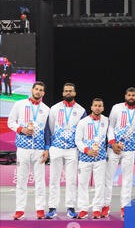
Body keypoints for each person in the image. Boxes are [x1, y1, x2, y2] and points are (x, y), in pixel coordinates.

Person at [7, 81, 50, 220]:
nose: (38, 91)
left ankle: (40, 210)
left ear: (43, 93)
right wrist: (22, 130)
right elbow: (11, 122)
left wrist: (46, 149)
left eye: (41, 90)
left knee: (40, 181)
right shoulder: (19, 104)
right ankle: (19, 210)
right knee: (21, 180)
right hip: (23, 149)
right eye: (36, 89)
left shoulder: (46, 109)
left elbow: (47, 132)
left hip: (38, 150)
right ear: (32, 90)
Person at [44, 83, 86, 219]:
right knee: (53, 179)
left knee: (72, 180)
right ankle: (52, 208)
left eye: (71, 91)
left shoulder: (81, 110)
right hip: (56, 148)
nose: (68, 93)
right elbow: (49, 128)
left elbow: (83, 131)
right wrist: (50, 146)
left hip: (72, 150)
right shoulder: (54, 108)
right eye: (66, 91)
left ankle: (70, 207)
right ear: (62, 93)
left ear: (74, 93)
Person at [104, 87, 135, 218]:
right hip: (114, 148)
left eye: (134, 95)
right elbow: (110, 126)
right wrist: (112, 143)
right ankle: (105, 206)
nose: (131, 97)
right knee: (108, 178)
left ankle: (125, 207)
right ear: (125, 96)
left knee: (127, 180)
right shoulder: (117, 108)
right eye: (129, 95)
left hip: (130, 150)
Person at [75, 98, 108, 219]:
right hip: (85, 158)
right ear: (91, 107)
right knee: (82, 184)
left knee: (100, 184)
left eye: (100, 106)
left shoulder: (106, 121)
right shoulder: (83, 122)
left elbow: (110, 137)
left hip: (100, 158)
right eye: (95, 105)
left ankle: (97, 209)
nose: (97, 108)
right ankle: (83, 209)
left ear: (103, 108)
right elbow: (78, 140)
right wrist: (87, 150)